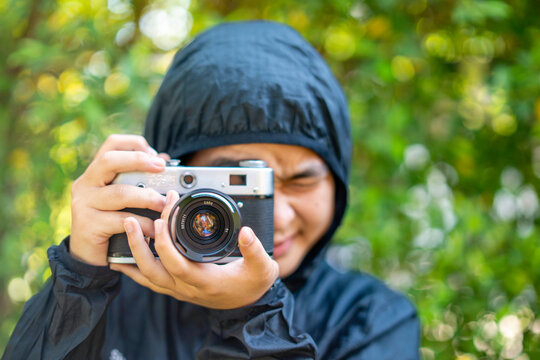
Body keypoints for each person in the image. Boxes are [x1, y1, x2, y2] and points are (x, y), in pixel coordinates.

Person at [2, 21, 420, 359]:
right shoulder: (110, 299)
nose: (278, 217)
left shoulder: (372, 321)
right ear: (170, 177)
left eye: (302, 179)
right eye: (234, 186)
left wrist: (254, 317)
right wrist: (78, 284)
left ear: (337, 180)